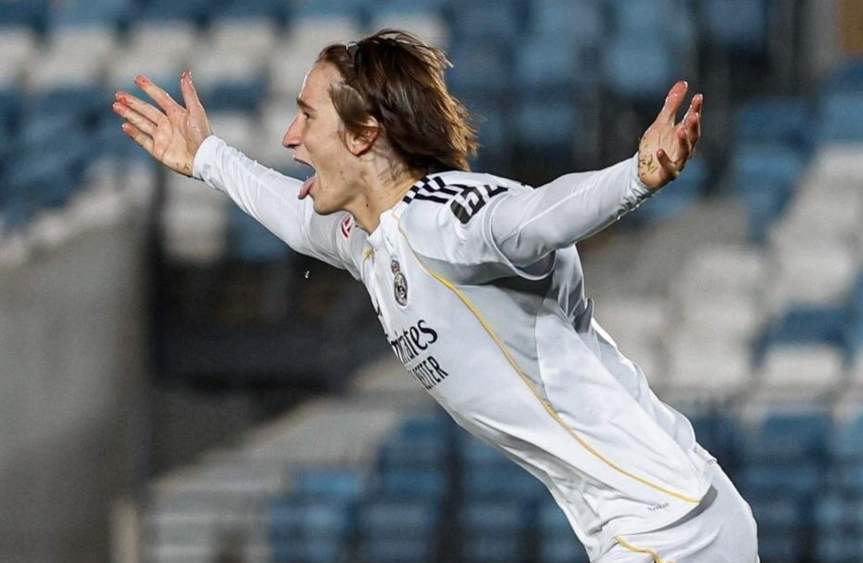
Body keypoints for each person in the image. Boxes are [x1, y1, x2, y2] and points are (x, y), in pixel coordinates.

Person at [112, 29, 757, 563]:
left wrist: (634, 178)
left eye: (307, 116)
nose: (289, 137)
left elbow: (534, 218)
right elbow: (294, 215)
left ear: (363, 135)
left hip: (668, 529)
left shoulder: (442, 219)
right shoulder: (372, 238)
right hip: (651, 523)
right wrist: (209, 158)